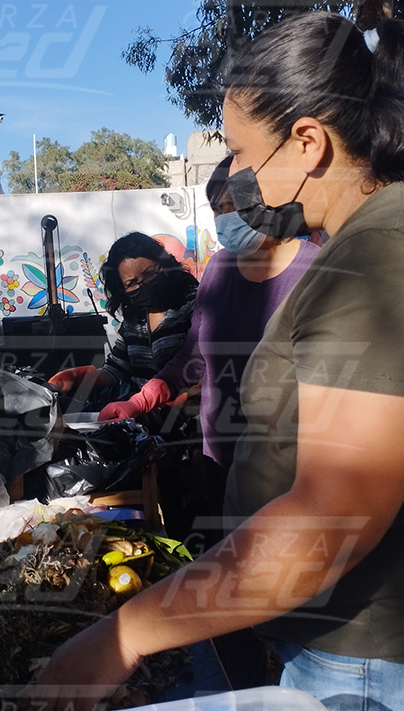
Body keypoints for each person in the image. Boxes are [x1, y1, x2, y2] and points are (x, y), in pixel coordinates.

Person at [35, 13, 404, 711]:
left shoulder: (388, 260)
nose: (237, 175)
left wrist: (122, 636)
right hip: (398, 650)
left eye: (243, 152)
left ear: (308, 143)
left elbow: (323, 525)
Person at [98, 156, 320, 515]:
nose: (225, 217)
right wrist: (144, 398)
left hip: (292, 465)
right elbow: (192, 356)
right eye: (218, 208)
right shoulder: (219, 269)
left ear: (269, 201)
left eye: (236, 204)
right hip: (222, 456)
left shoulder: (316, 272)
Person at [48, 232, 199, 408]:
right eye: (131, 283)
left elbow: (204, 367)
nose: (142, 285)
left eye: (149, 273)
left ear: (164, 265)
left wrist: (172, 405)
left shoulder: (195, 305)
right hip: (140, 415)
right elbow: (117, 369)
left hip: (185, 418)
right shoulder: (135, 317)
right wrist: (78, 377)